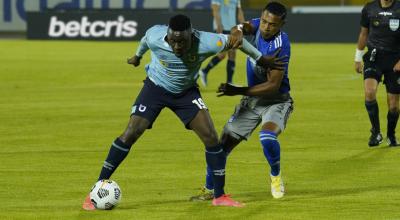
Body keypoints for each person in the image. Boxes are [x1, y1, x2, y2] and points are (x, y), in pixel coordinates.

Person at [82, 14, 285, 210]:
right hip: (155, 88)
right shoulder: (155, 35)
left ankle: (219, 196)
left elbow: (236, 42)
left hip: (186, 93)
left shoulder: (208, 41)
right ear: (168, 36)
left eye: (182, 42)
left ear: (192, 35)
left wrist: (261, 59)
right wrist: (137, 57)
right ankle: (94, 192)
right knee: (131, 132)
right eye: (173, 41)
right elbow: (145, 40)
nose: (177, 46)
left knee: (211, 138)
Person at [190, 2, 292, 201]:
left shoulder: (281, 45)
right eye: (264, 21)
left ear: (281, 25)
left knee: (267, 137)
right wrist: (236, 31)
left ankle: (275, 176)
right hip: (251, 102)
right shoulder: (257, 25)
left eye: (272, 24)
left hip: (276, 101)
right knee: (221, 147)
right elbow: (240, 27)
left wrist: (238, 90)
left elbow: (272, 85)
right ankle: (210, 189)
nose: (266, 27)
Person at [354, 0, 400, 147]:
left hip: (395, 60)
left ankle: (391, 135)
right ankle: (375, 132)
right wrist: (358, 58)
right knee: (369, 92)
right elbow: (363, 33)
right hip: (374, 58)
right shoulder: (369, 8)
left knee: (393, 106)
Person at [198, 0, 245, 86]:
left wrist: (243, 26)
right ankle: (205, 71)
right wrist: (219, 26)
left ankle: (229, 82)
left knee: (232, 54)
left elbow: (239, 11)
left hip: (232, 28)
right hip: (222, 28)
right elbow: (215, 10)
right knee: (222, 55)